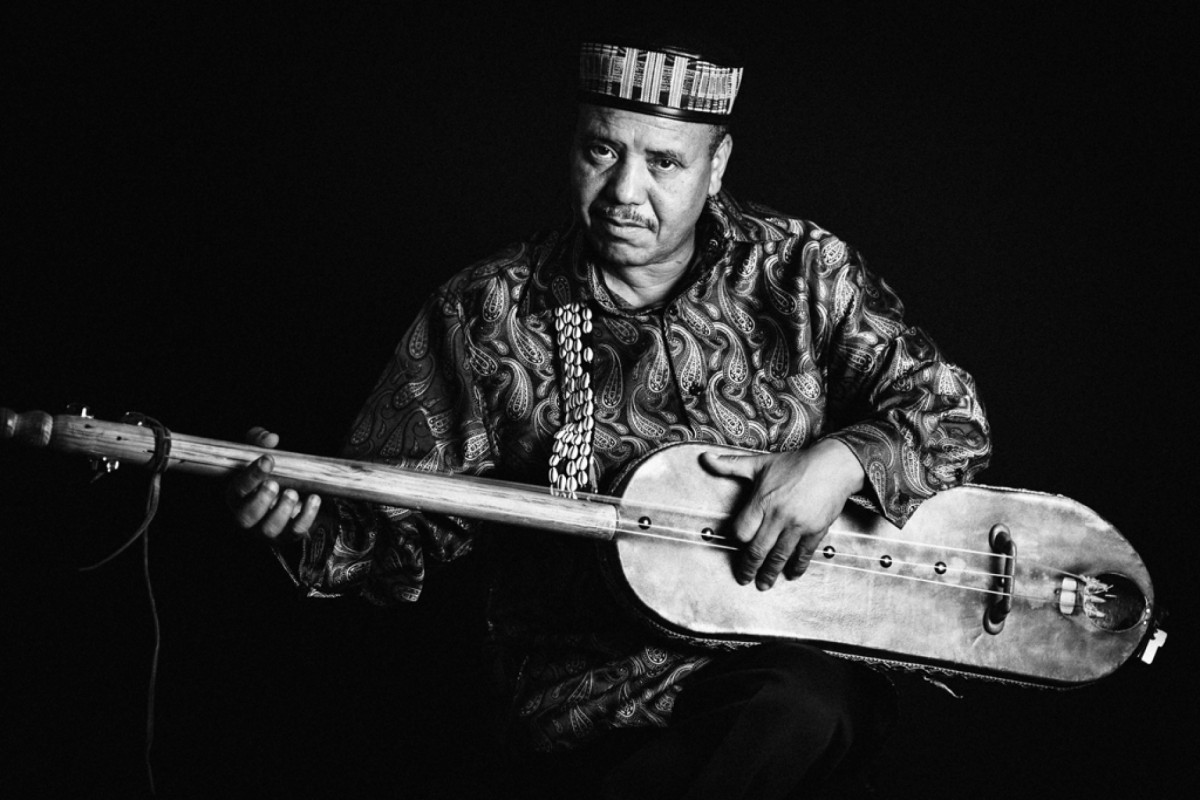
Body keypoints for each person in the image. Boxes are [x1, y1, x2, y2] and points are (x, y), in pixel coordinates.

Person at [227, 31, 991, 799]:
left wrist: (840, 462)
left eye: (664, 162)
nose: (626, 190)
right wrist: (306, 523)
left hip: (783, 682)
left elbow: (952, 420)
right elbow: (395, 528)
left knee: (805, 704)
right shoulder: (487, 313)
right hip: (590, 715)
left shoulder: (801, 272)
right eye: (602, 151)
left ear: (716, 164)